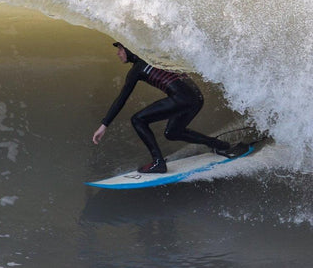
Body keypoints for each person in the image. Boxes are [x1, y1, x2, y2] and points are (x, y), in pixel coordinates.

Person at [92, 42, 234, 174]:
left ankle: (159, 163)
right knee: (172, 132)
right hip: (196, 97)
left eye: (120, 49)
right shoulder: (153, 55)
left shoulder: (137, 69)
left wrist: (104, 125)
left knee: (137, 120)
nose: (118, 53)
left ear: (128, 50)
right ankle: (219, 145)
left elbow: (121, 99)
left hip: (182, 98)